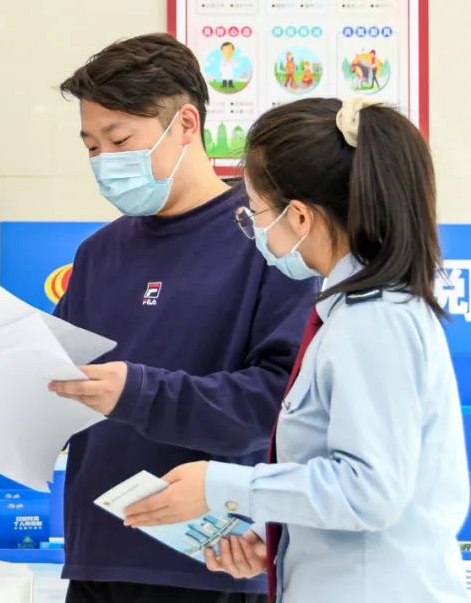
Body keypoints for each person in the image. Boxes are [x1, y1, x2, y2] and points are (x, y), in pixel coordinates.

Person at [120, 97, 469, 602]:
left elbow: (370, 491)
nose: (255, 230)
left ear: (300, 216)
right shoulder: (353, 314)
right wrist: (281, 537)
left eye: (256, 213)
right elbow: (352, 483)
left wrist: (221, 485)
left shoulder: (373, 320)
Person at [46, 33, 317, 602]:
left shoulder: (269, 240)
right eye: (91, 146)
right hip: (97, 555)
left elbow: (279, 405)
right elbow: (65, 385)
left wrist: (138, 392)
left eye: (119, 139)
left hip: (211, 562)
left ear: (186, 124)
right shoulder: (98, 254)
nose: (104, 161)